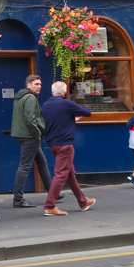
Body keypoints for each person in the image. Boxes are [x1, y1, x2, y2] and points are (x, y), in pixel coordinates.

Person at [41, 81, 96, 216]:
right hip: (65, 144)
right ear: (64, 92)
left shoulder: (46, 105)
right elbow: (87, 112)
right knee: (60, 175)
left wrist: (71, 119)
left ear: (52, 91)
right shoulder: (67, 103)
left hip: (52, 143)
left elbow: (55, 121)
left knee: (70, 173)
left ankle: (83, 201)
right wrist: (81, 106)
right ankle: (50, 206)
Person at [10, 75, 61, 208]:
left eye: (40, 84)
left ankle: (52, 192)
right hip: (29, 136)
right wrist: (37, 133)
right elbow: (30, 119)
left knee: (41, 161)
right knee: (25, 166)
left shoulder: (20, 97)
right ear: (29, 85)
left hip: (22, 134)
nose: (39, 86)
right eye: (36, 84)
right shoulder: (31, 98)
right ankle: (18, 199)